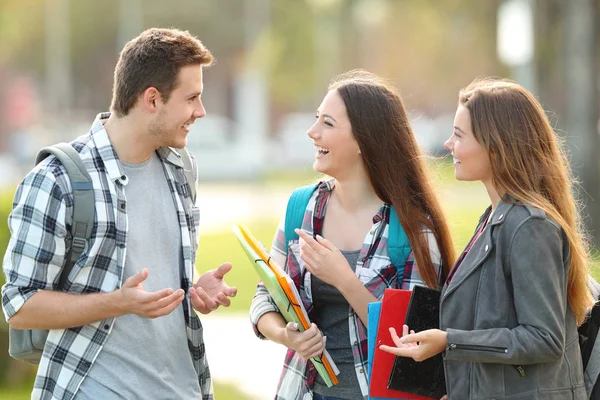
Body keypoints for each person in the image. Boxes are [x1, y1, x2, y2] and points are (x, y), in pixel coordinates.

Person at [1, 28, 237, 400]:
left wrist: (189, 292)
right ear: (153, 100)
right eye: (192, 98)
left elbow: (149, 279)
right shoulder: (58, 180)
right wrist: (115, 303)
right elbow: (19, 306)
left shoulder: (181, 168)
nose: (200, 111)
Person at [380, 78, 593, 400]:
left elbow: (543, 338)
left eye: (459, 135)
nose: (449, 144)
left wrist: (449, 340)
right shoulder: (494, 218)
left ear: (496, 145)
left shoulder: (530, 226)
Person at [249, 70, 456, 400]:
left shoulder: (414, 229)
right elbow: (264, 299)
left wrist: (344, 280)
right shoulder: (301, 209)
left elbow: (414, 342)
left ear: (364, 140)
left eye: (327, 124)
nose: (311, 132)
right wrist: (286, 336)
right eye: (317, 119)